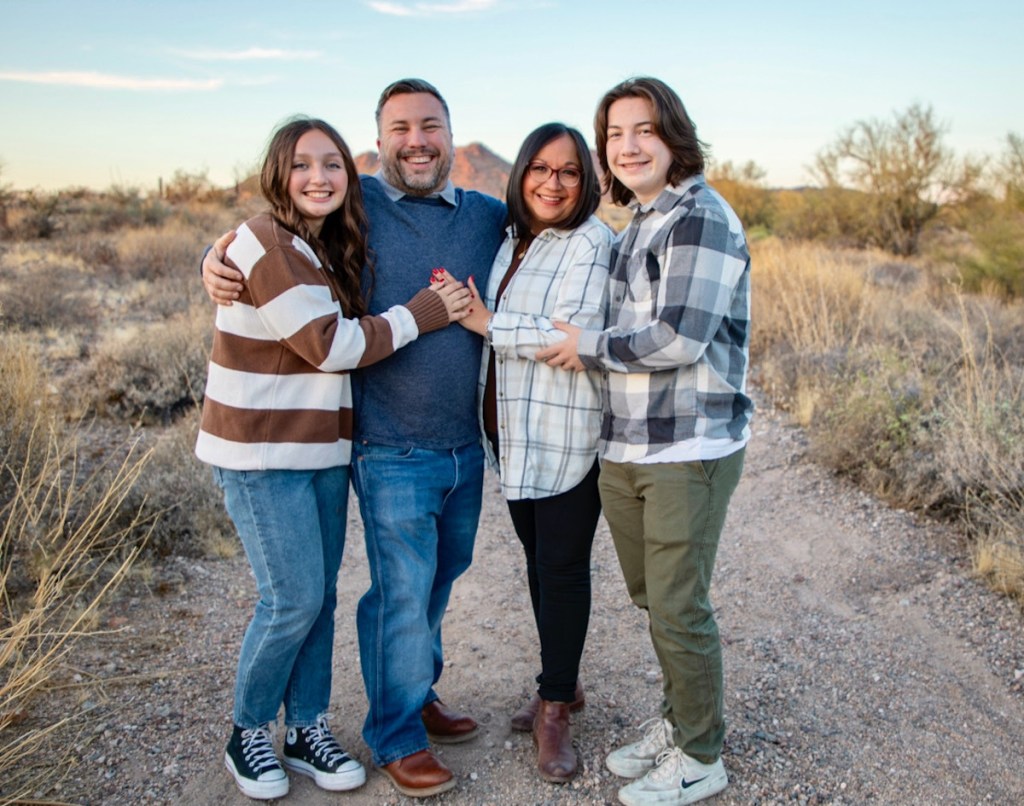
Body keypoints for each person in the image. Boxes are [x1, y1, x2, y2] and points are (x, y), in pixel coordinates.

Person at [202, 80, 507, 798]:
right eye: (400, 127)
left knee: (432, 584)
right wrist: (215, 255)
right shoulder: (352, 204)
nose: (417, 139)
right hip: (382, 446)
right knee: (375, 594)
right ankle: (388, 734)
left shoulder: (486, 216)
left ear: (453, 135)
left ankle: (396, 696)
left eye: (431, 125)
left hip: (452, 446)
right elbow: (269, 244)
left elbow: (557, 222)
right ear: (379, 142)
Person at [536, 77, 753, 806]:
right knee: (653, 599)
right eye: (615, 134)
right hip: (626, 446)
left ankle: (701, 755)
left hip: (686, 447)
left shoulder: (701, 217)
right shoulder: (640, 225)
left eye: (643, 130)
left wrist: (587, 346)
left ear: (673, 136)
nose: (627, 146)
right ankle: (678, 719)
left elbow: (680, 336)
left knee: (678, 605)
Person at [443, 122, 611, 783]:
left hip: (566, 434)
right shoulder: (513, 237)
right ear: (521, 174)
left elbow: (567, 336)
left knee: (563, 570)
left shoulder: (591, 242)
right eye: (541, 168)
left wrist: (484, 322)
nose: (553, 182)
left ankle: (554, 710)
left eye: (569, 171)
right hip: (512, 440)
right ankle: (561, 684)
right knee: (540, 565)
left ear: (585, 180)